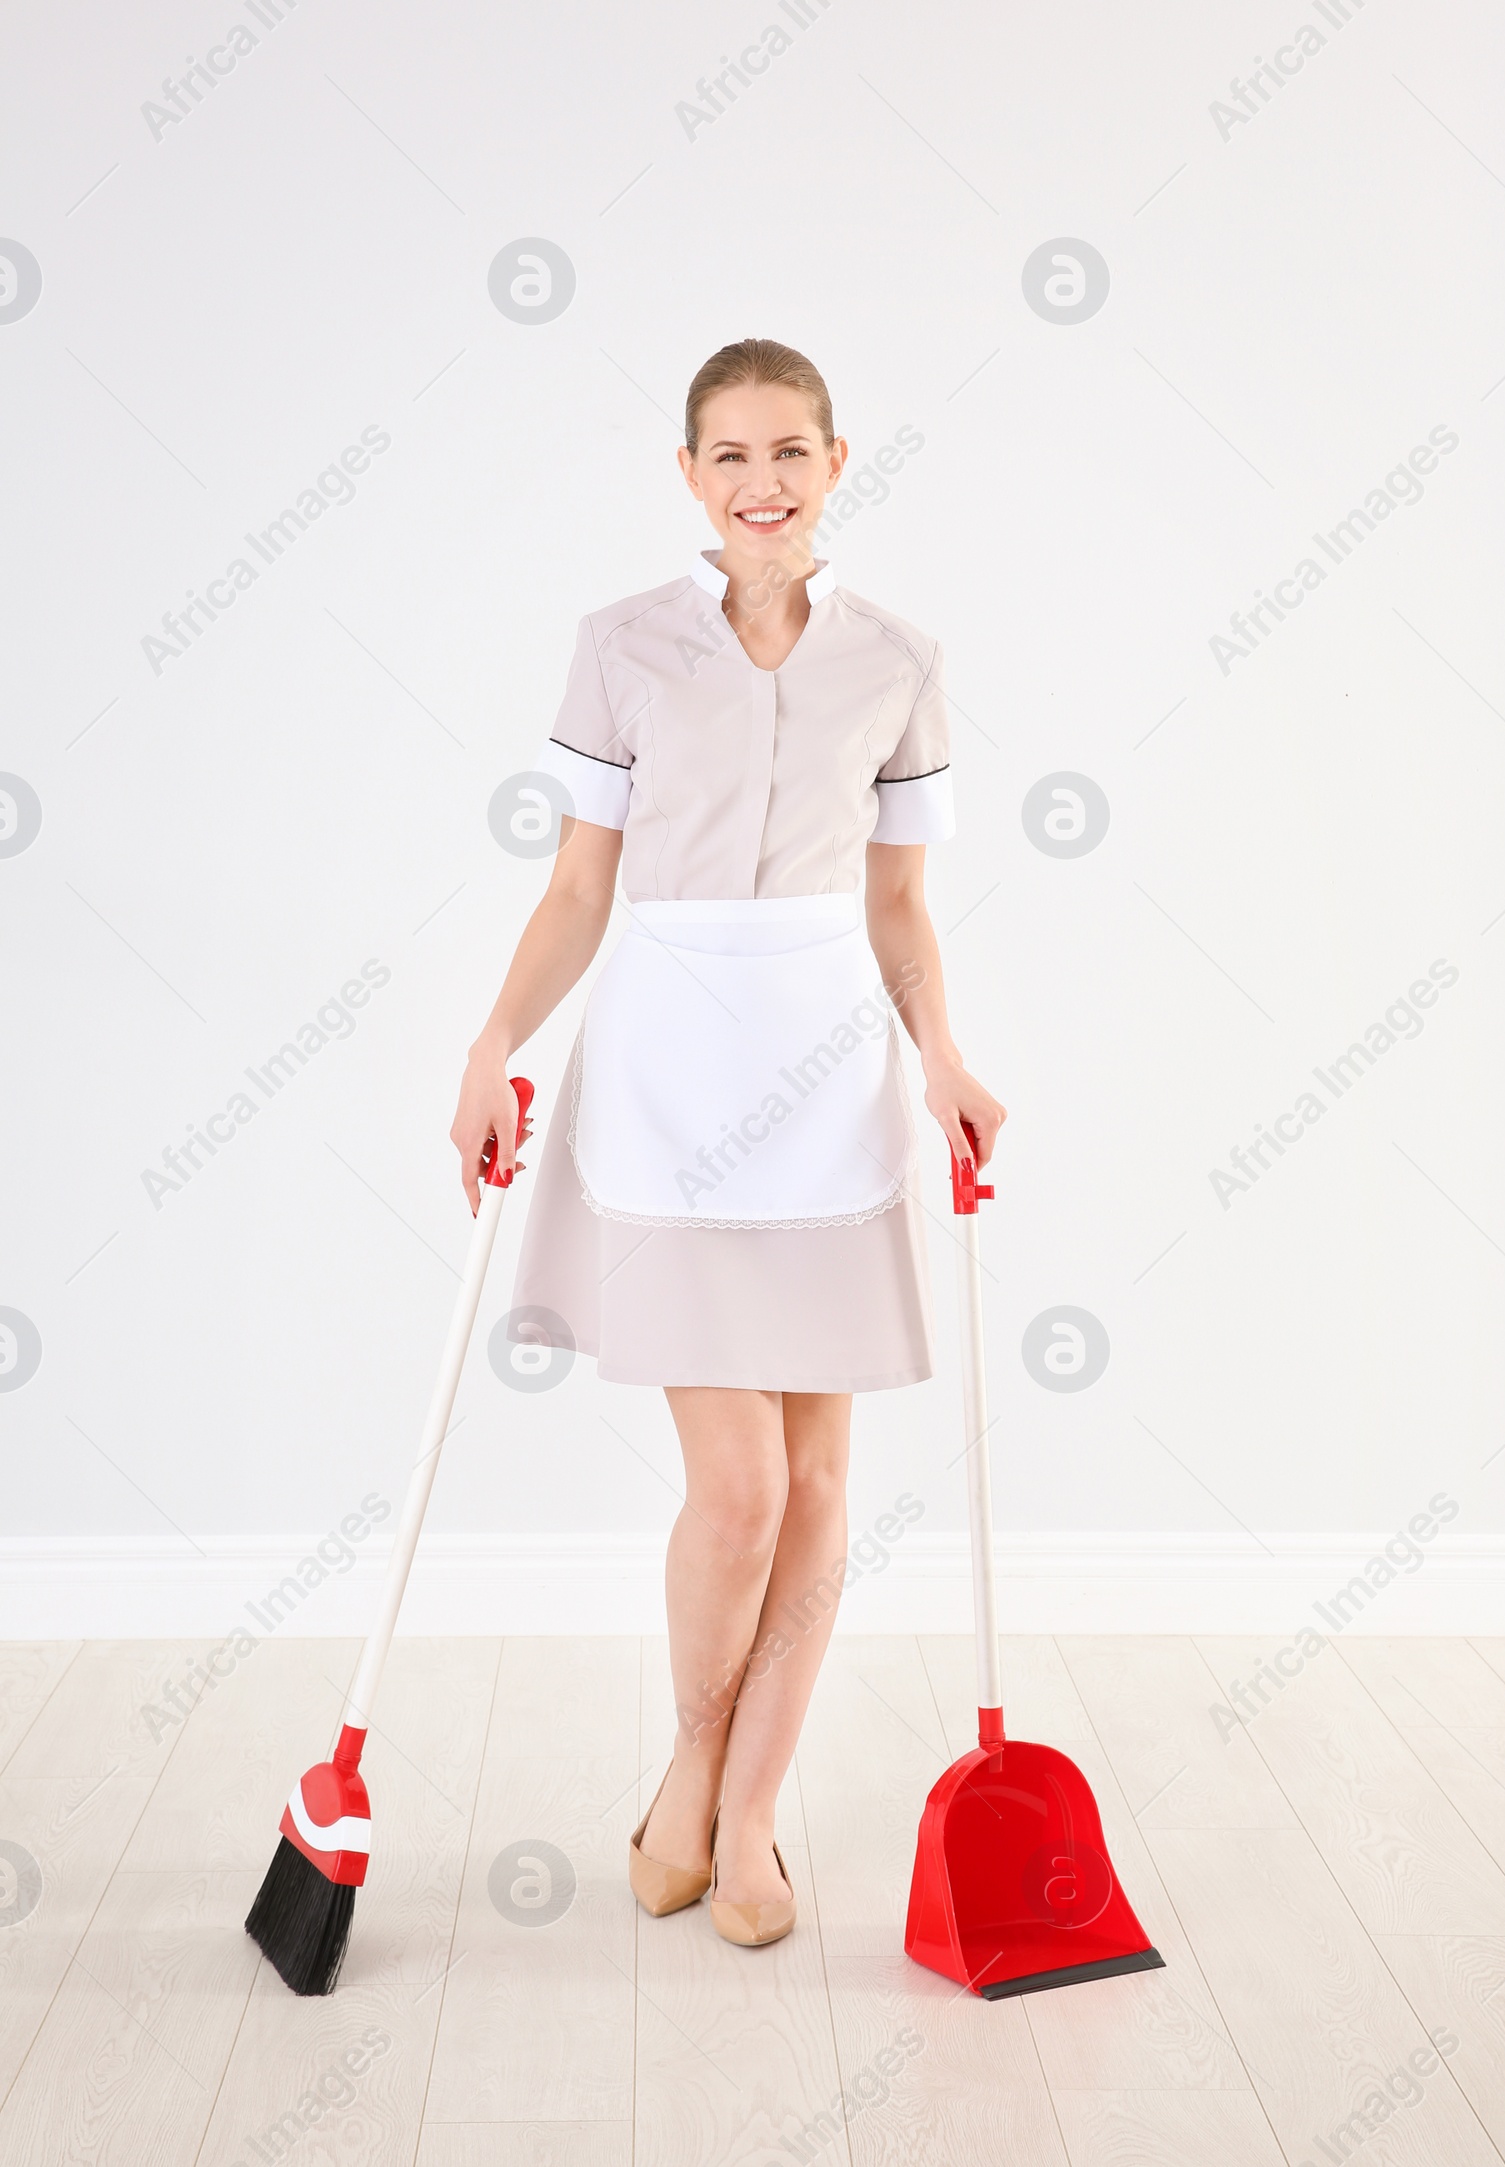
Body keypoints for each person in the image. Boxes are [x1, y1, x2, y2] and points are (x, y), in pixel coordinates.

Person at [450, 337, 1004, 1947]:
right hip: (673, 1078)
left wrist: (948, 1058)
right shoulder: (620, 647)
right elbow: (578, 891)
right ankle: (690, 1768)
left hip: (831, 1067)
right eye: (729, 456)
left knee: (825, 1484)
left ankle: (749, 1821)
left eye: (790, 452)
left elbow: (900, 904)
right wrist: (493, 1043)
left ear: (838, 462)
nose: (761, 483)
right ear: (688, 476)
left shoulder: (897, 658)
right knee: (743, 1489)